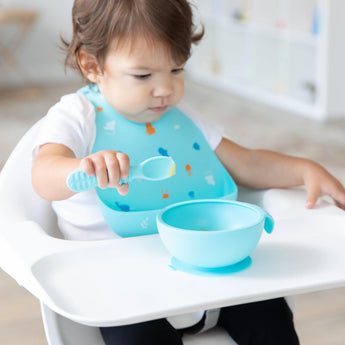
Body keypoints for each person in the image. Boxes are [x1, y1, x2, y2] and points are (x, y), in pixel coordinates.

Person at [31, 0, 345, 344]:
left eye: (176, 70)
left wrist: (303, 169)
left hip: (203, 264)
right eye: (143, 75)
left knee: (271, 316)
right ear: (92, 65)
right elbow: (43, 176)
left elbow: (245, 164)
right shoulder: (77, 116)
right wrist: (82, 168)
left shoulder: (183, 120)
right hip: (121, 283)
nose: (165, 88)